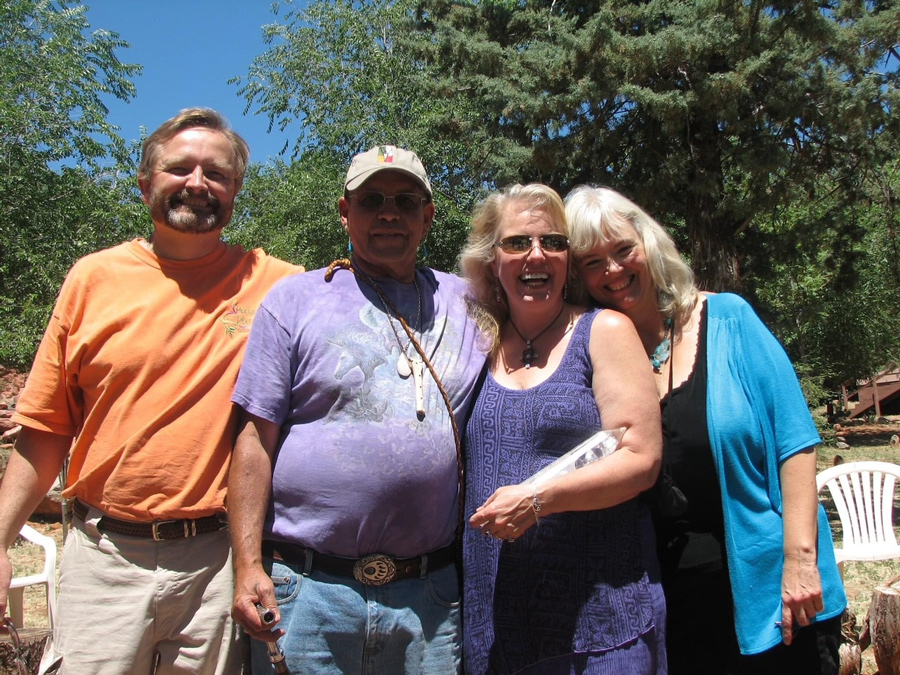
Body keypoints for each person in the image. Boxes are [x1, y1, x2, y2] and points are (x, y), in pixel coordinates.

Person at [0, 108, 301, 674]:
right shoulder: (93, 278)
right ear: (145, 183)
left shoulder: (281, 286)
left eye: (217, 173)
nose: (198, 183)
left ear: (236, 190)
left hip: (218, 564)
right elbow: (45, 427)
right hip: (103, 558)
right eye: (180, 168)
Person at [565, 185, 847, 675]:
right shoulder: (593, 356)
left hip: (773, 591)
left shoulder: (729, 320)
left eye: (623, 249)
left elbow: (796, 443)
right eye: (592, 262)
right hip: (671, 604)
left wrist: (800, 560)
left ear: (649, 244)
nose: (612, 270)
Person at [228, 145, 486, 674]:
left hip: (430, 596)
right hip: (307, 594)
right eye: (372, 201)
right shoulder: (294, 300)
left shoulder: (472, 304)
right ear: (345, 212)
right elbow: (254, 441)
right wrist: (248, 565)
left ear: (427, 216)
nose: (389, 213)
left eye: (405, 201)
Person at [459, 183, 667, 675]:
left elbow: (641, 458)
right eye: (517, 243)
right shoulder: (476, 343)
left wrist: (538, 499)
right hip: (497, 621)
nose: (537, 255)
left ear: (567, 260)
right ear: (491, 259)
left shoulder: (604, 331)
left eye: (553, 242)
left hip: (600, 621)